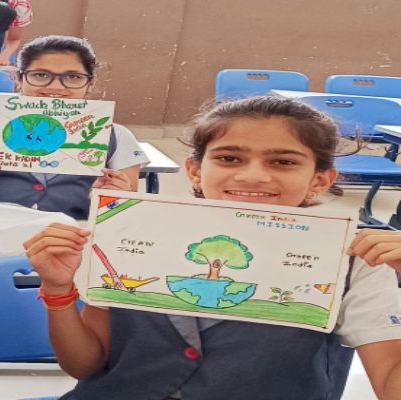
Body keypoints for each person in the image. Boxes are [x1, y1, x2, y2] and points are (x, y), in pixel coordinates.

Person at [24, 96, 401, 400]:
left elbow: (390, 386)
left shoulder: (355, 258)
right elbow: (86, 366)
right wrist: (58, 290)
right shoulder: (129, 232)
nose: (252, 175)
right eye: (228, 158)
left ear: (320, 179)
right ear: (194, 170)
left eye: (283, 162)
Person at [0, 35, 150, 220]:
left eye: (73, 77)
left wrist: (110, 199)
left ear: (90, 83)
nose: (56, 86)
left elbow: (123, 217)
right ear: (19, 78)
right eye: (40, 75)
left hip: (72, 242)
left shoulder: (116, 136)